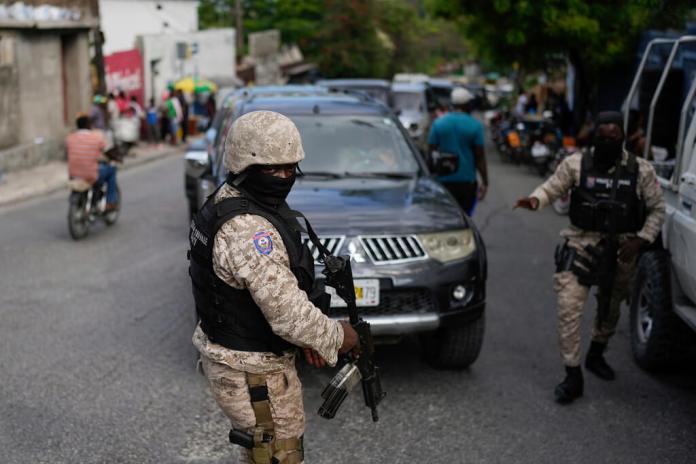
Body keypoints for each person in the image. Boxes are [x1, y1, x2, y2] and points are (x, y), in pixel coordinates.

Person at [189, 111, 359, 464]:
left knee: (261, 455)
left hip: (245, 362)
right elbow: (288, 316)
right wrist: (337, 336)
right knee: (278, 455)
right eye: (272, 169)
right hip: (254, 373)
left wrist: (309, 340)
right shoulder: (249, 229)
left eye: (290, 168)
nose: (284, 177)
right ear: (245, 165)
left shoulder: (229, 199)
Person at [514, 112, 665, 404]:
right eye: (602, 136)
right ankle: (573, 375)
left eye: (614, 136)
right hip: (581, 242)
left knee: (610, 308)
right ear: (593, 136)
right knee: (568, 305)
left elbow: (658, 210)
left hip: (622, 247)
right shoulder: (576, 163)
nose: (608, 141)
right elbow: (551, 187)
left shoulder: (641, 170)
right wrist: (535, 200)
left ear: (623, 136)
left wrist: (641, 239)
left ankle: (597, 353)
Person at [428, 87, 488, 216]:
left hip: (443, 181)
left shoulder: (438, 123)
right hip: (467, 183)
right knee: (464, 218)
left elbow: (431, 152)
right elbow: (480, 157)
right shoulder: (475, 125)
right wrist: (485, 182)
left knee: (445, 218)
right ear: (467, 105)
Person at [66, 114, 118, 210]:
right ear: (88, 125)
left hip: (73, 175)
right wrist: (117, 158)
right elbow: (108, 151)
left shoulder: (70, 138)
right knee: (111, 170)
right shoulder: (96, 138)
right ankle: (111, 202)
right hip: (90, 175)